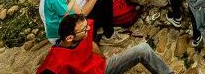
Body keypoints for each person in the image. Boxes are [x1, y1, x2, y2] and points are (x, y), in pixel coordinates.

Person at [36, 13, 174, 74]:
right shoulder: (56, 62)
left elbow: (91, 42)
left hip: (102, 68)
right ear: (70, 37)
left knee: (143, 49)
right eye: (85, 29)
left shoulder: (81, 34)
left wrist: (102, 59)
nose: (89, 29)